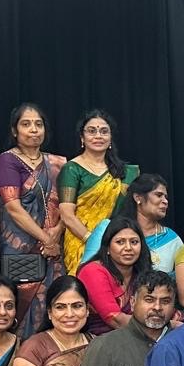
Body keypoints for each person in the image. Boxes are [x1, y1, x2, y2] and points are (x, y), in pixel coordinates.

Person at [0, 102, 67, 338]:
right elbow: (13, 207)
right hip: (20, 247)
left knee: (55, 300)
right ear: (14, 131)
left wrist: (57, 232)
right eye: (26, 124)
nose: (34, 129)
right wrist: (47, 239)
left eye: (38, 124)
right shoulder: (7, 161)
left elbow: (68, 205)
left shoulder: (58, 163)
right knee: (20, 306)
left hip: (55, 248)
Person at [57, 109, 139, 274]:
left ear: (110, 138)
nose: (98, 136)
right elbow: (67, 215)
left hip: (118, 244)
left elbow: (131, 211)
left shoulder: (125, 172)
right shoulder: (72, 169)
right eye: (92, 131)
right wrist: (95, 242)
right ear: (82, 138)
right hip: (81, 241)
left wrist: (111, 242)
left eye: (104, 131)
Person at [93, 173, 184, 273]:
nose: (165, 201)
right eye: (159, 195)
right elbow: (90, 270)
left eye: (166, 197)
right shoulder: (107, 228)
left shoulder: (172, 239)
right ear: (138, 197)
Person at [77, 218, 148, 334]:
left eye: (134, 242)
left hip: (138, 335)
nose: (128, 248)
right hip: (98, 339)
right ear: (107, 248)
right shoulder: (93, 271)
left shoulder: (140, 272)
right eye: (120, 242)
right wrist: (162, 325)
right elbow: (116, 320)